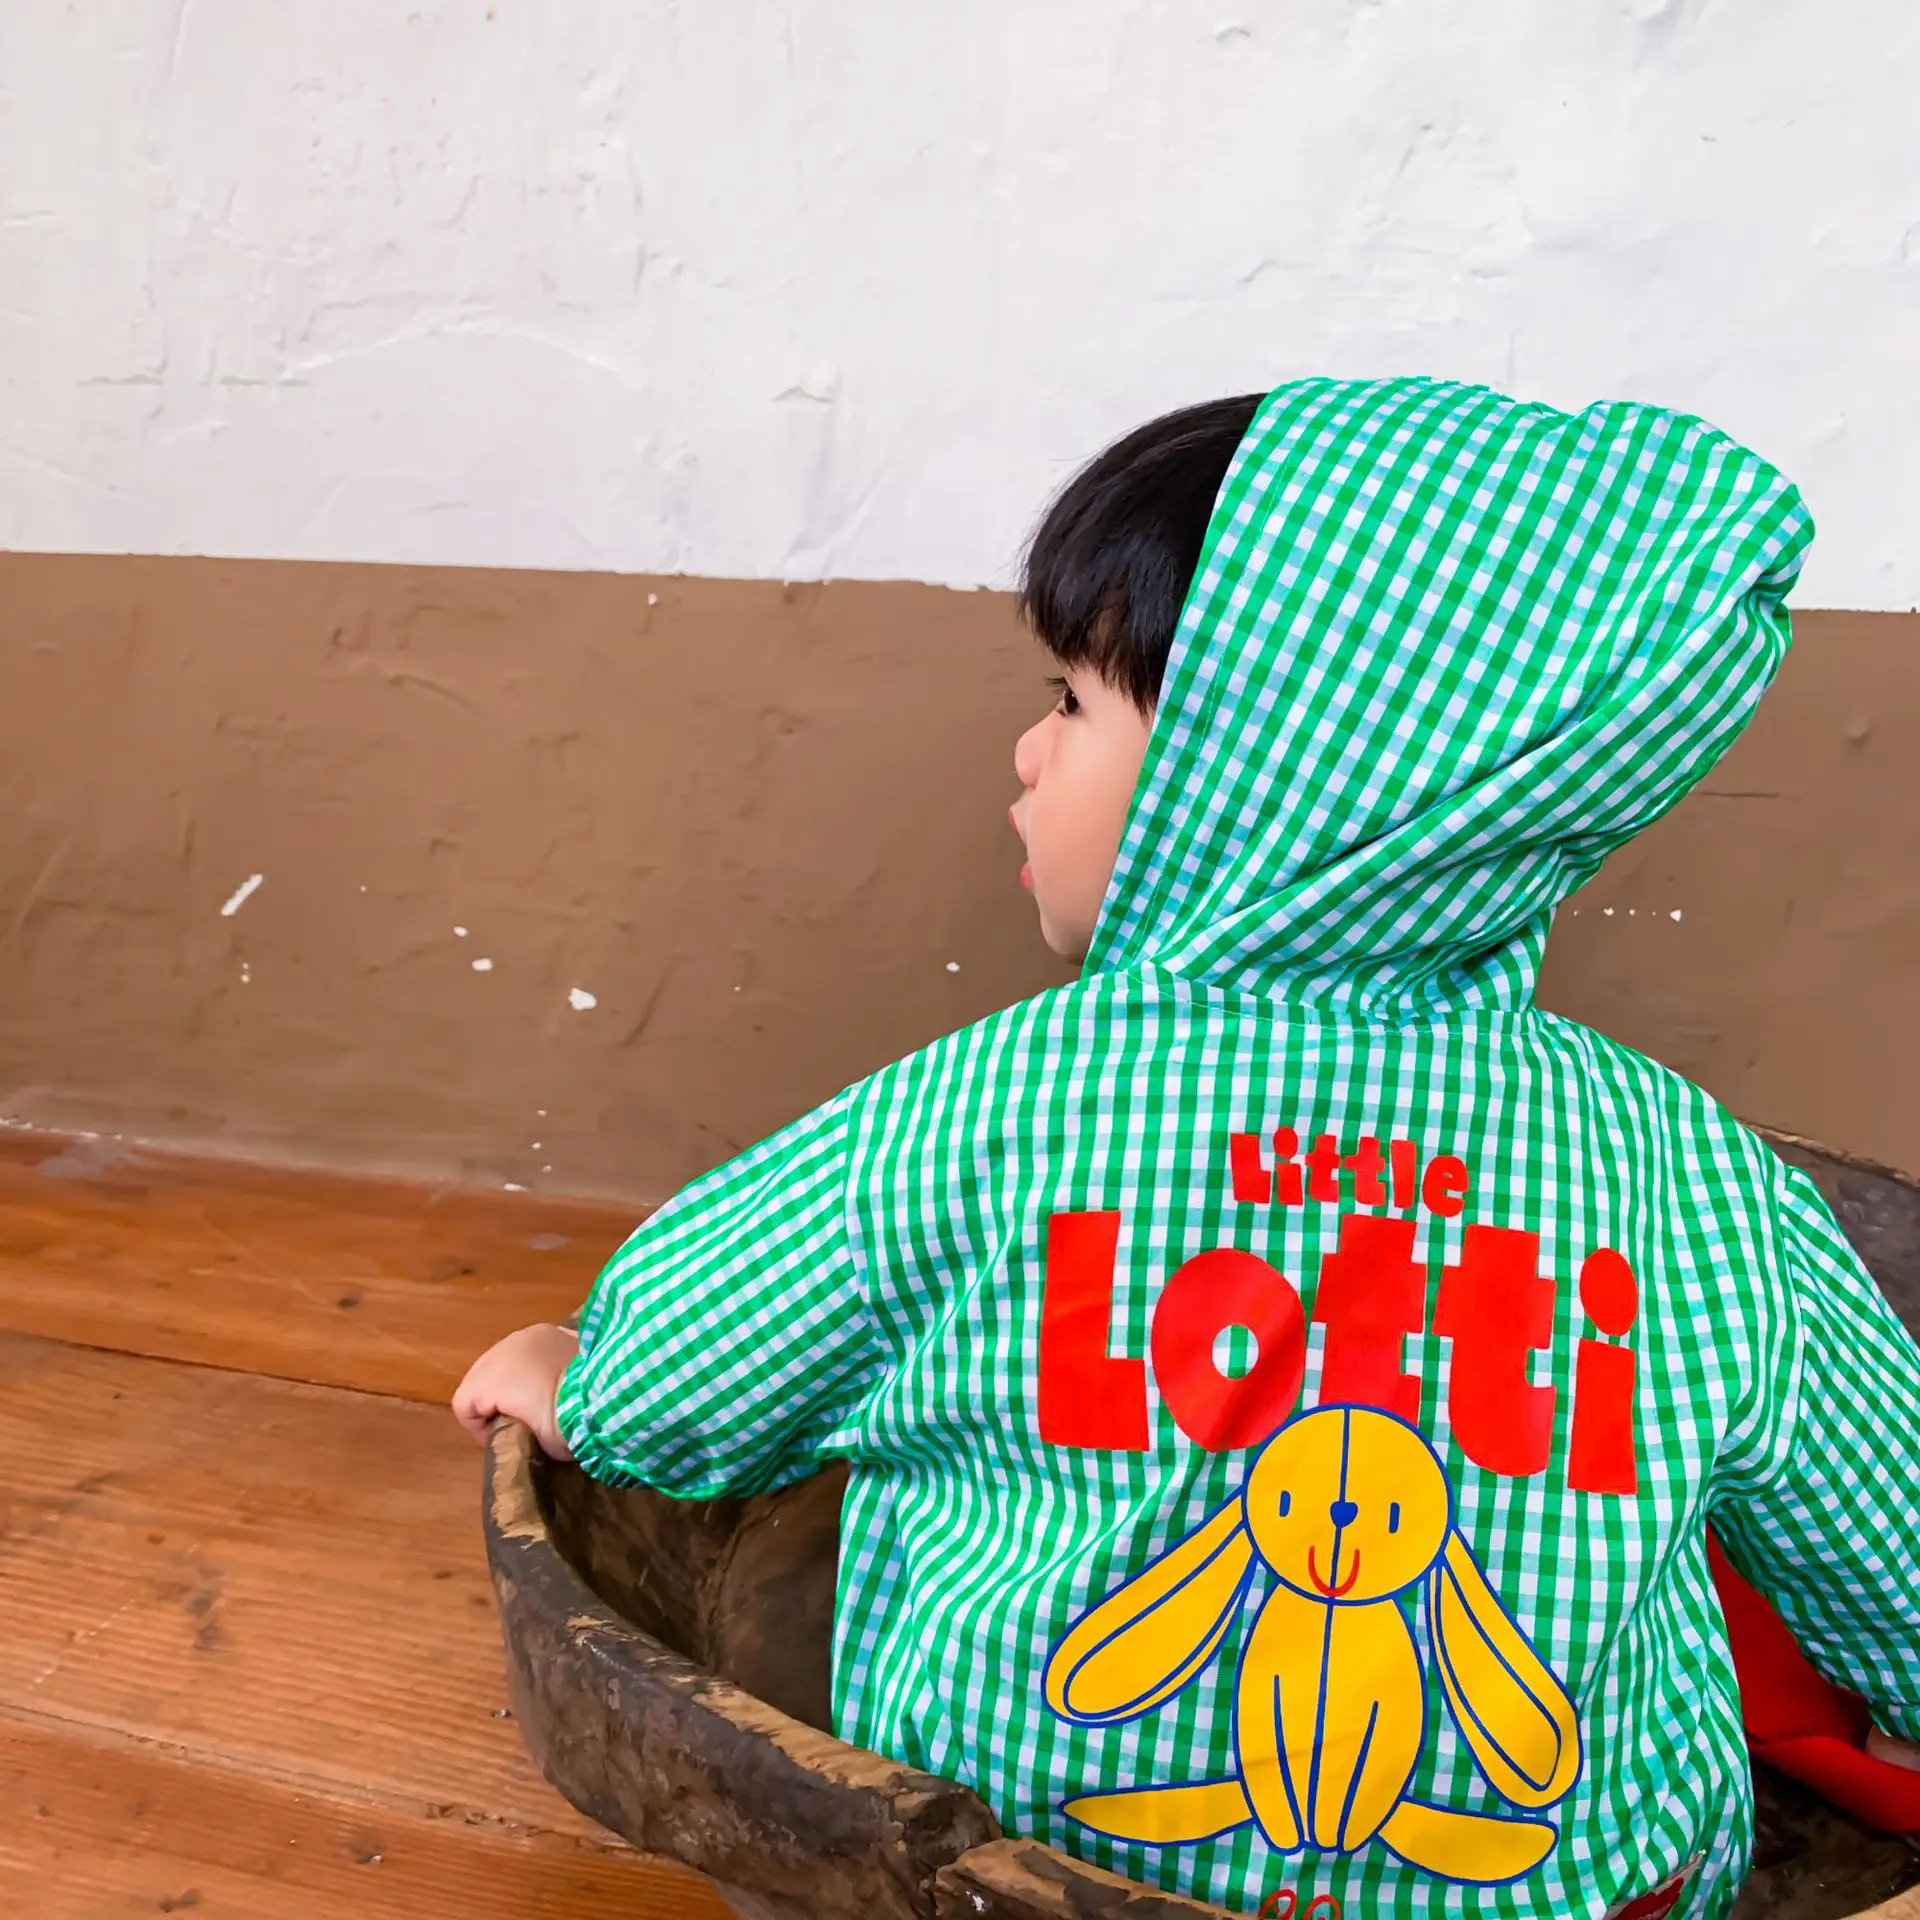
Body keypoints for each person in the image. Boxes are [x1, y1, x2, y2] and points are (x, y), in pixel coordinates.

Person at [455, 378, 1920, 1919]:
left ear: (1257, 767)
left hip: (1033, 1878)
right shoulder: (1689, 1175)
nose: (1029, 753)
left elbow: (695, 1363)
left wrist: (585, 1379)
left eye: (1072, 704)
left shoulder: (991, 1113)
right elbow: (1894, 1550)